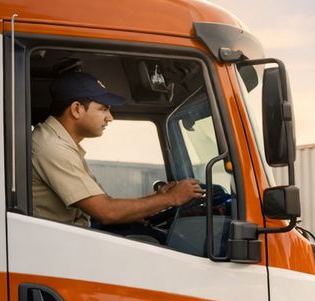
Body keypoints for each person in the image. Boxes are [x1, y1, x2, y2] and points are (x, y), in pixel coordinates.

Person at [31, 70, 203, 227]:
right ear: (76, 109)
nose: (110, 118)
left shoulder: (59, 142)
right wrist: (171, 198)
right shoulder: (53, 147)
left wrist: (157, 199)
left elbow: (104, 203)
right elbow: (106, 212)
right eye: (103, 109)